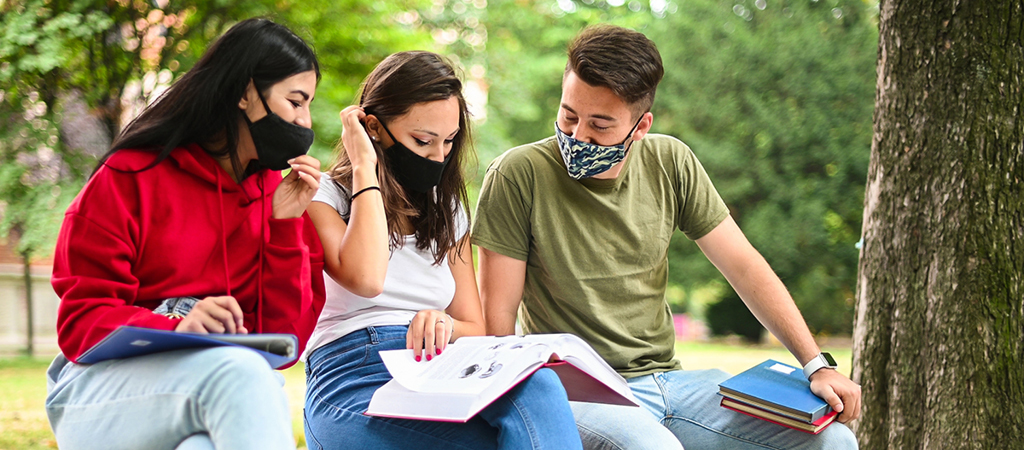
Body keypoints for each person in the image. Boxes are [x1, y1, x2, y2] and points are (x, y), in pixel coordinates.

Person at [472, 24, 861, 450]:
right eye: (569, 115)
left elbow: (743, 266)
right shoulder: (518, 173)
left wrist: (815, 364)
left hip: (672, 383)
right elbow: (499, 325)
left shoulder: (670, 161)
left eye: (600, 125)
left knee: (833, 442)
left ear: (641, 126)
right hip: (580, 390)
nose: (578, 135)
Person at [44, 18, 326, 450]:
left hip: (216, 388)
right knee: (242, 373)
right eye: (296, 101)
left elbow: (282, 342)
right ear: (246, 93)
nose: (305, 122)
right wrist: (176, 327)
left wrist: (284, 227)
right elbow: (82, 322)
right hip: (96, 389)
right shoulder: (131, 174)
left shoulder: (279, 196)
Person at [302, 51, 582, 450]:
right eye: (423, 141)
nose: (438, 156)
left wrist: (444, 325)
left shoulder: (446, 210)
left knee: (539, 386)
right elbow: (366, 278)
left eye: (448, 141)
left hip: (439, 369)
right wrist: (365, 166)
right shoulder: (322, 197)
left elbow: (475, 326)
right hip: (352, 375)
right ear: (374, 129)